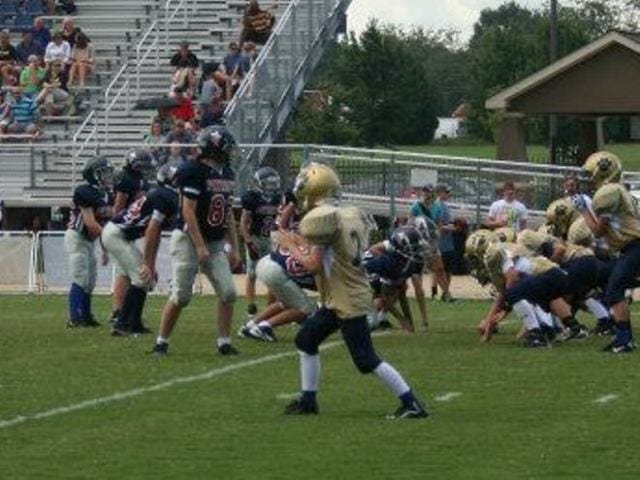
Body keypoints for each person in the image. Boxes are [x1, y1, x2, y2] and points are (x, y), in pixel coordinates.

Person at [277, 162, 428, 419]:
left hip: (347, 297)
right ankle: (308, 401)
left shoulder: (323, 218)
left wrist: (290, 246)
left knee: (365, 359)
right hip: (341, 294)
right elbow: (327, 254)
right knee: (306, 339)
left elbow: (313, 265)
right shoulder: (347, 214)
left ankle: (412, 403)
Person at [151, 126, 241, 357]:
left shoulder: (227, 173)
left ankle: (224, 342)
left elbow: (228, 213)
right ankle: (161, 342)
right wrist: (199, 245)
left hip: (214, 240)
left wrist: (235, 248)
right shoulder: (193, 170)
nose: (230, 153)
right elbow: (188, 211)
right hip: (188, 240)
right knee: (181, 296)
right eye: (227, 148)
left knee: (229, 292)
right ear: (214, 148)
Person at [573, 151, 640, 353]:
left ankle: (625, 339)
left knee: (614, 290)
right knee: (615, 288)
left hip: (635, 245)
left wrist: (584, 211)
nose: (589, 178)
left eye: (591, 173)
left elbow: (598, 231)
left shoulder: (608, 192)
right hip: (630, 247)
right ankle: (624, 338)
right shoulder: (616, 189)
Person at [103, 163, 179, 336]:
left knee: (143, 278)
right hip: (116, 234)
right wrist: (147, 263)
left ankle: (134, 323)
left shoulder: (162, 193)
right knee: (140, 277)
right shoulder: (166, 196)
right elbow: (151, 230)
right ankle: (122, 324)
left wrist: (150, 264)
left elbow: (156, 233)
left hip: (120, 234)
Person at [65, 156, 114, 327]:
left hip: (90, 240)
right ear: (95, 175)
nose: (109, 176)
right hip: (77, 237)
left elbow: (104, 223)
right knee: (81, 277)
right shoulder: (84, 191)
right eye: (105, 173)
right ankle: (75, 317)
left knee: (91, 279)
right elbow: (91, 223)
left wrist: (105, 249)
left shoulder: (107, 194)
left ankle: (86, 316)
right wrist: (112, 241)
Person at [108, 150, 155, 324]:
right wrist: (120, 225)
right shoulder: (126, 179)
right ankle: (119, 311)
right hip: (122, 229)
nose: (145, 169)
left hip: (130, 230)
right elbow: (118, 207)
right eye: (142, 165)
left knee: (125, 272)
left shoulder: (140, 180)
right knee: (126, 271)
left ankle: (120, 310)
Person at [240, 166, 281, 320]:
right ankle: (251, 307)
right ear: (259, 183)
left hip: (272, 238)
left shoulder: (279, 199)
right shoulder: (251, 198)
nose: (272, 186)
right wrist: (249, 243)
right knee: (252, 273)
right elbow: (243, 224)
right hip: (256, 237)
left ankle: (270, 308)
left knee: (273, 274)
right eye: (268, 183)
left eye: (273, 183)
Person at [431, 183, 456, 302]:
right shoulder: (437, 206)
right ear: (440, 193)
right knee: (439, 270)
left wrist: (452, 226)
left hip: (448, 243)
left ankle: (444, 294)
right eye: (446, 192)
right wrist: (449, 228)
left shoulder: (445, 206)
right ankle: (445, 294)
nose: (448, 194)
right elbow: (437, 226)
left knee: (448, 270)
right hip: (439, 243)